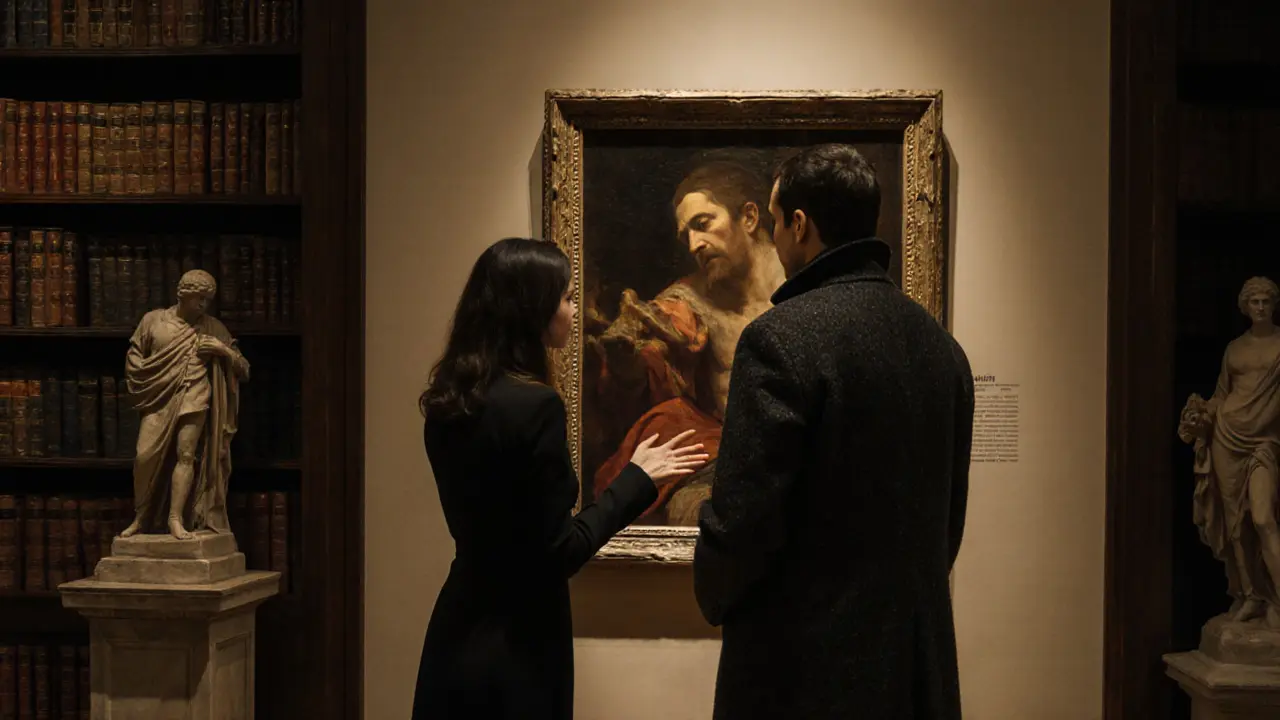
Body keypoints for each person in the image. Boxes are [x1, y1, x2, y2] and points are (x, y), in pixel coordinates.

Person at [692, 144, 974, 720]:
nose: (774, 234)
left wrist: (714, 588)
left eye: (774, 221)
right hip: (914, 672)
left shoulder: (780, 339)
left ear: (801, 226)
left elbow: (744, 521)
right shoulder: (943, 350)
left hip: (803, 674)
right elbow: (946, 527)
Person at [410, 237, 709, 720]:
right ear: (534, 308)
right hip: (518, 646)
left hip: (456, 633)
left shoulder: (448, 402)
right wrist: (637, 478)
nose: (577, 310)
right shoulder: (536, 407)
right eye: (568, 298)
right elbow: (559, 552)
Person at [586, 160, 786, 524]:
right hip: (722, 463)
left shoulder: (805, 287)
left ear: (751, 217)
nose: (694, 244)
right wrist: (626, 365)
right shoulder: (685, 302)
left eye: (703, 224)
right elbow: (651, 369)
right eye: (686, 236)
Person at [1178, 276, 1280, 627]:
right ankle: (1251, 596)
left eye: (1267, 300)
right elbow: (1222, 393)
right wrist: (1201, 413)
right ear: (1245, 306)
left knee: (1264, 518)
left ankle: (1279, 600)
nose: (1261, 307)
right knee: (1237, 526)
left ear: (1274, 304)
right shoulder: (1234, 349)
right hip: (1227, 435)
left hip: (1265, 441)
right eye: (1255, 301)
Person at [121, 268, 249, 540]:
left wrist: (221, 349)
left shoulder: (213, 327)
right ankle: (142, 516)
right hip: (158, 397)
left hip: (195, 393)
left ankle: (175, 519)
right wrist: (148, 379)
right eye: (199, 298)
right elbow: (134, 357)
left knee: (186, 455)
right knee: (145, 456)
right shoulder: (153, 321)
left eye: (207, 299)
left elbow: (243, 368)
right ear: (183, 294)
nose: (203, 304)